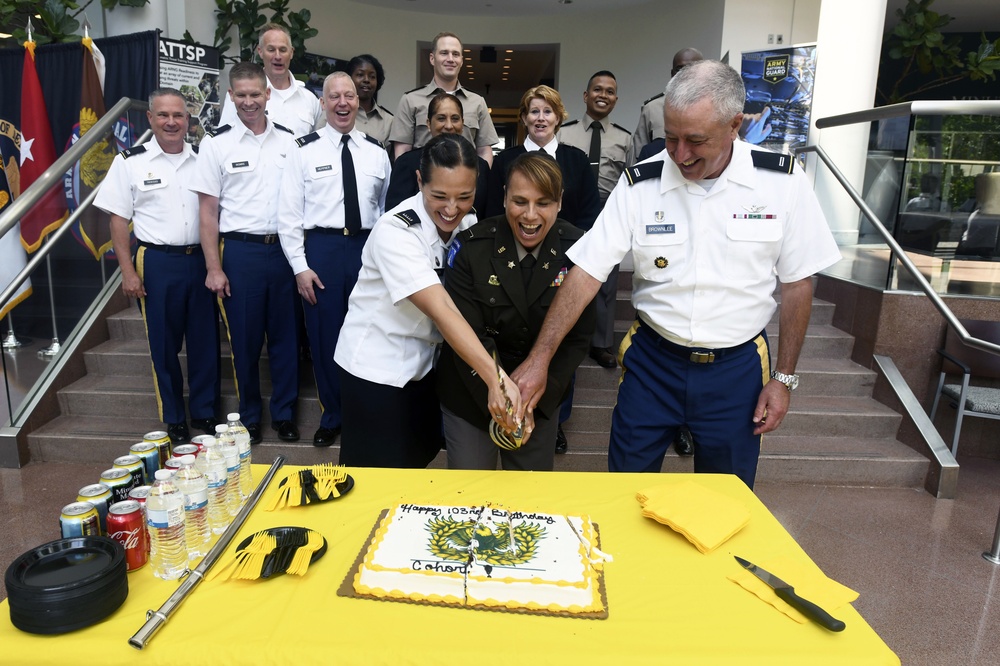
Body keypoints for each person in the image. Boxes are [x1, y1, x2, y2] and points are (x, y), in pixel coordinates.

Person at [512, 60, 842, 490]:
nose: (680, 154)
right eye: (670, 138)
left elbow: (798, 284)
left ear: (734, 126)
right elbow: (586, 272)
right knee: (625, 492)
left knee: (725, 502)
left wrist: (783, 379)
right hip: (653, 363)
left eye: (695, 140)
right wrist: (539, 359)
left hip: (736, 370)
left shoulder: (781, 182)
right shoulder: (640, 184)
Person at [335, 134, 523, 468]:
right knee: (376, 476)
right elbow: (442, 307)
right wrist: (496, 378)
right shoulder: (396, 231)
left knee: (415, 464)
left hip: (424, 369)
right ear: (420, 181)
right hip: (378, 372)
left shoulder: (469, 221)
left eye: (464, 196)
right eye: (439, 196)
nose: (452, 209)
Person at [438, 153, 594, 471]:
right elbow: (465, 333)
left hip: (539, 396)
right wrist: (499, 394)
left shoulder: (579, 251)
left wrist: (531, 401)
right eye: (520, 201)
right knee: (468, 495)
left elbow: (577, 339)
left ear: (560, 202)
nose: (530, 216)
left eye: (544, 203)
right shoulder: (472, 248)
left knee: (529, 499)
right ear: (505, 196)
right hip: (471, 393)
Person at [95, 88, 220, 445]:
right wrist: (127, 272)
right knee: (163, 344)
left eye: (178, 115)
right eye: (163, 115)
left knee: (204, 341)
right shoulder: (131, 161)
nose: (171, 122)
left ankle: (204, 411)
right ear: (149, 119)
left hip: (201, 259)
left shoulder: (203, 160)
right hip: (157, 261)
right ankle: (174, 416)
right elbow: (118, 221)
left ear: (188, 120)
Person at [485, 84, 601, 455]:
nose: (540, 118)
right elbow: (493, 209)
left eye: (547, 112)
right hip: (512, 262)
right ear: (523, 118)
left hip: (566, 261)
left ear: (558, 117)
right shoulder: (506, 160)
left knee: (561, 339)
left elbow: (587, 212)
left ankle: (553, 416)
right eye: (533, 111)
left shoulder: (576, 160)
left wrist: (572, 249)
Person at [278, 72, 391, 447]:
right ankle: (332, 415)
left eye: (350, 96)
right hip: (322, 252)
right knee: (326, 338)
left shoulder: (377, 152)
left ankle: (364, 413)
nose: (343, 103)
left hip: (366, 252)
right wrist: (300, 267)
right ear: (322, 103)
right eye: (334, 97)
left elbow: (386, 211)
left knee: (369, 335)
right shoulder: (302, 150)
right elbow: (289, 214)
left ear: (359, 102)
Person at [193, 62, 301, 446]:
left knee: (286, 339)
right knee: (245, 341)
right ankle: (250, 417)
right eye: (241, 95)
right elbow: (207, 212)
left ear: (268, 94)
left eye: (256, 94)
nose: (249, 101)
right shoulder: (216, 144)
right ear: (230, 96)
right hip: (240, 253)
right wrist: (213, 267)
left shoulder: (290, 142)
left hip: (285, 252)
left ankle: (285, 415)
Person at [558, 70, 631, 370]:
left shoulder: (624, 138)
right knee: (564, 273)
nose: (603, 95)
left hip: (607, 211)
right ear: (586, 96)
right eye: (597, 89)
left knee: (606, 280)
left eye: (610, 91)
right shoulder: (564, 132)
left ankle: (601, 344)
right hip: (570, 208)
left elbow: (630, 183)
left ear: (615, 99)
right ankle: (563, 335)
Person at [389, 32, 498, 166]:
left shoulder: (477, 102)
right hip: (424, 181)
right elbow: (403, 152)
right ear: (432, 58)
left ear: (462, 61)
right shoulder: (410, 100)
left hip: (465, 183)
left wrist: (479, 183)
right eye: (444, 53)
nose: (450, 59)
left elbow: (484, 152)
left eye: (456, 54)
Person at [385, 92, 488, 213]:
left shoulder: (480, 166)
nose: (449, 126)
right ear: (428, 124)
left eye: (455, 119)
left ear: (462, 123)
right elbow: (395, 213)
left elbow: (486, 217)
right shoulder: (407, 163)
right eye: (441, 118)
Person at [216, 23, 323, 136]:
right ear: (260, 52)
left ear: (291, 53)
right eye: (271, 49)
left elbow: (317, 143)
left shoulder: (310, 99)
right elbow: (225, 138)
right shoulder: (241, 96)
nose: (277, 56)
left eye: (282, 50)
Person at [628, 47, 704, 165]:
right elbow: (638, 159)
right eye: (680, 70)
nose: (684, 75)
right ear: (672, 74)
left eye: (691, 69)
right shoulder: (652, 109)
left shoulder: (716, 108)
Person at [348, 54, 394, 145]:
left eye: (372, 76)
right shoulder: (335, 113)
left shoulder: (389, 120)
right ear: (349, 78)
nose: (366, 80)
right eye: (360, 75)